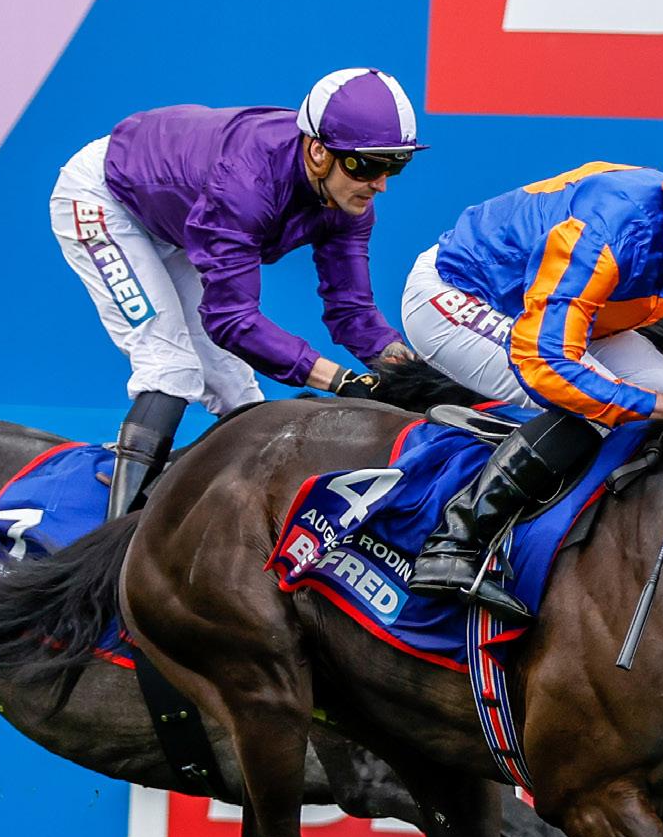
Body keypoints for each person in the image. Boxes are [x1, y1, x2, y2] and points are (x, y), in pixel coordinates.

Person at [400, 133, 663, 621]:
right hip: (459, 294)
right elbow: (547, 364)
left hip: (565, 314)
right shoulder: (606, 228)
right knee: (598, 402)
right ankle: (455, 544)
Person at [52, 68, 424, 519]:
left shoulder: (350, 203)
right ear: (318, 151)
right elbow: (230, 320)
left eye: (394, 165)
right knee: (170, 367)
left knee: (239, 394)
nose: (380, 183)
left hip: (176, 214)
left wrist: (408, 371)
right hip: (104, 198)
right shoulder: (245, 185)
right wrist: (339, 380)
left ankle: (184, 493)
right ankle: (112, 542)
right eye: (366, 166)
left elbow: (352, 311)